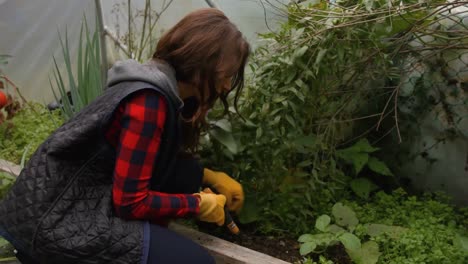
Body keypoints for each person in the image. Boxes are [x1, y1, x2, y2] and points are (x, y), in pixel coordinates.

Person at [0, 8, 250, 264]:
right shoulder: (148, 103)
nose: (228, 86)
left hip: (69, 202)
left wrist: (207, 177)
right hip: (57, 223)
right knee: (196, 262)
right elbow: (130, 203)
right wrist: (197, 204)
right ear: (203, 61)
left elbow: (156, 165)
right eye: (227, 75)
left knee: (186, 177)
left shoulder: (156, 84)